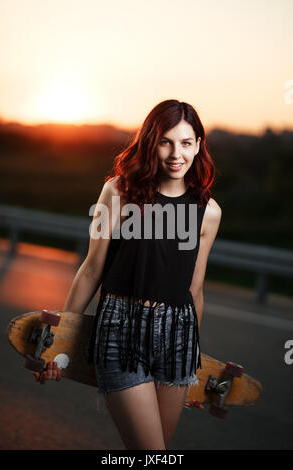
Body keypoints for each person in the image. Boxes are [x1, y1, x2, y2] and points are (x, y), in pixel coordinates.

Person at [33, 99, 222, 450]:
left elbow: (194, 289)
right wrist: (61, 339)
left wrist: (194, 364)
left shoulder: (208, 212)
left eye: (185, 142)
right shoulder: (118, 193)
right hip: (121, 330)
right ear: (151, 142)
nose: (175, 153)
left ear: (198, 145)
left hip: (179, 336)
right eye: (166, 141)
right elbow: (92, 269)